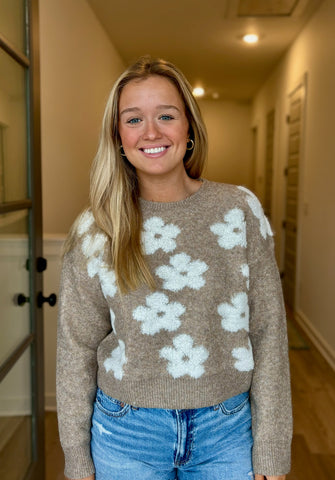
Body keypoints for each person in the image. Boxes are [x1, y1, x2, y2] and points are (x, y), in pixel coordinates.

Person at [57, 55, 292, 480]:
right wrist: (76, 457)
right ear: (118, 136)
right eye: (133, 120)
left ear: (188, 129)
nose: (151, 132)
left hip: (228, 431)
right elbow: (76, 348)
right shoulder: (97, 228)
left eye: (166, 115)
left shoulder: (238, 210)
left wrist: (273, 449)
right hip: (126, 433)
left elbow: (269, 331)